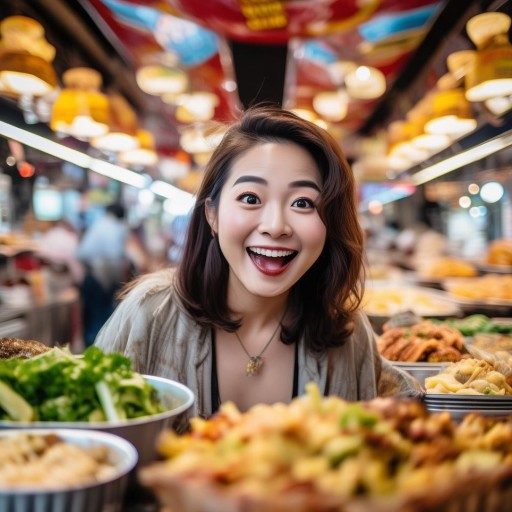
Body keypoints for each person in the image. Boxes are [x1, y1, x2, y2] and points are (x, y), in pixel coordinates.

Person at [95, 105, 422, 430]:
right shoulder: (149, 314)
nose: (276, 226)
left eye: (303, 203)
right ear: (212, 214)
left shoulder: (348, 335)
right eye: (251, 198)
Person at [76, 203, 129, 347]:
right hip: (103, 281)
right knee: (102, 321)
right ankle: (98, 354)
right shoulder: (117, 228)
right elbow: (116, 257)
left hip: (91, 278)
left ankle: (89, 354)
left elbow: (81, 254)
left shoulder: (98, 224)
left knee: (90, 319)